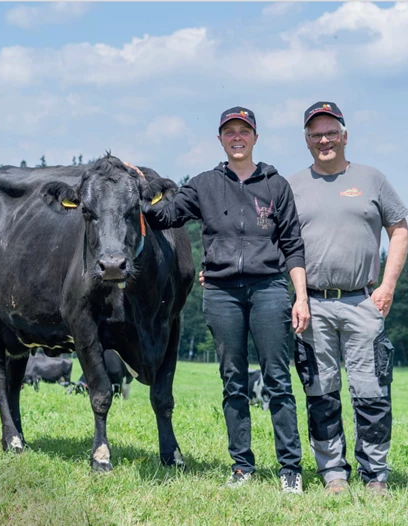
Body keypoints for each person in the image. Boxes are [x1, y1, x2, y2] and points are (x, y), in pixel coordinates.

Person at [144, 106, 309, 493]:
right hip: (221, 293)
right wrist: (137, 188)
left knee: (277, 380)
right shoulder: (203, 183)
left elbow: (293, 246)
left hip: (269, 290)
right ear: (220, 139)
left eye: (244, 131)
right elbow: (166, 215)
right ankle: (242, 466)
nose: (237, 137)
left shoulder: (276, 184)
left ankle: (290, 469)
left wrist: (300, 297)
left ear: (255, 136)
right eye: (229, 131)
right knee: (233, 381)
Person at [288, 101, 408, 497]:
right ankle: (333, 473)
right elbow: (274, 244)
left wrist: (387, 286)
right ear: (306, 140)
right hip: (313, 303)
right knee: (320, 391)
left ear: (344, 134)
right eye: (315, 134)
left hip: (363, 301)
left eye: (330, 132)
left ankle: (375, 474)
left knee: (372, 390)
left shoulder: (371, 179)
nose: (323, 140)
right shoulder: (292, 187)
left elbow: (400, 230)